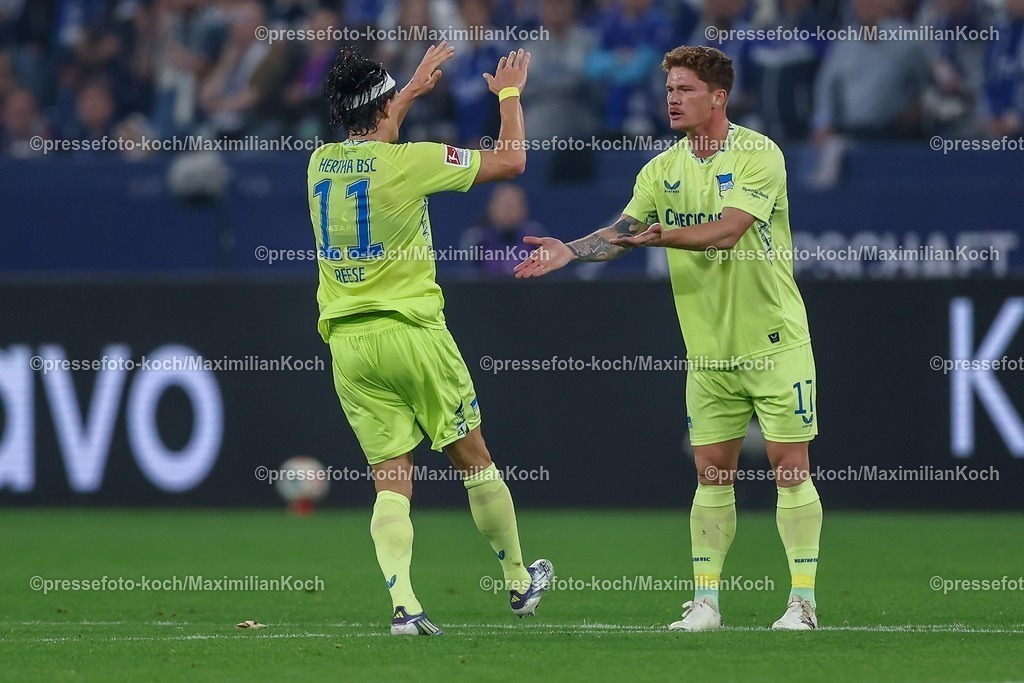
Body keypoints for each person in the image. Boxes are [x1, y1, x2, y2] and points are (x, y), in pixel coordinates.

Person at [515, 45, 822, 631]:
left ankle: (801, 602)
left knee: (789, 467)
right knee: (711, 472)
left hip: (775, 338)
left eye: (684, 90)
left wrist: (657, 240)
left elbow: (728, 231)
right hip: (708, 351)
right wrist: (569, 251)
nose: (673, 100)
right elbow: (623, 231)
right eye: (669, 90)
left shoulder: (759, 154)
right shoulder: (660, 169)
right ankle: (706, 603)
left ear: (718, 97)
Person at [308, 42, 552, 636]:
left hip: (348, 344)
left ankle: (404, 605)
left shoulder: (318, 162)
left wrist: (411, 87)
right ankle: (520, 582)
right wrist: (510, 95)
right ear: (385, 105)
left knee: (390, 479)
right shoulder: (412, 162)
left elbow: (373, 136)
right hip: (413, 331)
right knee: (473, 458)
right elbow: (511, 162)